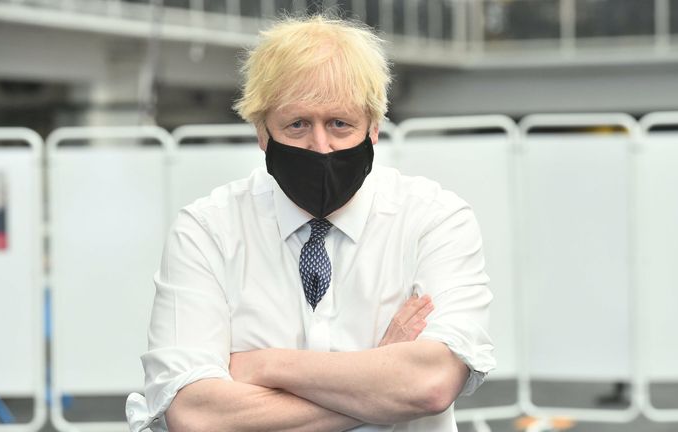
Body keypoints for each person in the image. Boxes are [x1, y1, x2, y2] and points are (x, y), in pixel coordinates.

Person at [126, 14, 494, 432]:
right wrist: (379, 380)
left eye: (340, 123)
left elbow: (429, 384)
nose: (321, 147)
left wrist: (265, 366)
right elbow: (196, 415)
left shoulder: (435, 220)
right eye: (297, 124)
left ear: (374, 128)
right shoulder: (207, 232)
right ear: (262, 132)